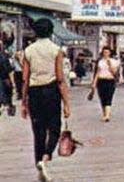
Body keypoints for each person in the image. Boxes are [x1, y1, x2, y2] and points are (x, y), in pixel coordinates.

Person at [20, 18, 70, 182]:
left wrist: (23, 102)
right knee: (54, 127)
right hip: (51, 91)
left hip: (34, 92)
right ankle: (46, 156)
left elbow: (25, 79)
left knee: (38, 130)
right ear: (51, 31)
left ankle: (39, 162)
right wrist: (66, 103)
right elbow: (60, 78)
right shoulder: (56, 50)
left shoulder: (28, 51)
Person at [90, 46, 119, 122]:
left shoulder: (114, 61)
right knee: (102, 97)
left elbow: (114, 72)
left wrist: (109, 64)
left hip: (110, 80)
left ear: (110, 53)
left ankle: (107, 115)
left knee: (109, 97)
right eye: (104, 52)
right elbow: (97, 72)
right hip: (101, 80)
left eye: (107, 52)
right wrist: (94, 82)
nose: (105, 54)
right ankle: (104, 113)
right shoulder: (100, 61)